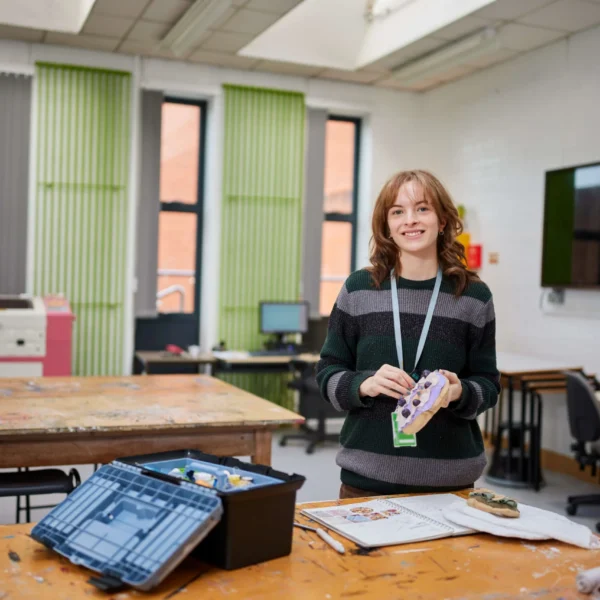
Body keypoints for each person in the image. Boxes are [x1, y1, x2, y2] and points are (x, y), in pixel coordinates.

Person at [316, 170, 500, 499]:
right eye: (397, 211)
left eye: (422, 209)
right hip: (366, 482)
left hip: (450, 485)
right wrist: (364, 384)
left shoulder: (474, 296)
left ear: (443, 220)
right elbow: (327, 373)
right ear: (386, 224)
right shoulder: (359, 289)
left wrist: (459, 392)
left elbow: (488, 384)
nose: (410, 220)